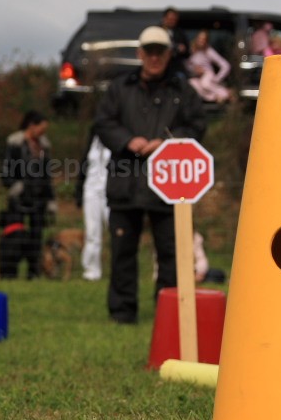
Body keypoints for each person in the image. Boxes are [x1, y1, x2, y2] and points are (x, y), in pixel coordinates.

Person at [94, 26, 206, 324]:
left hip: (169, 186)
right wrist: (127, 141)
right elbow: (103, 123)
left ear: (169, 54)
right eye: (150, 51)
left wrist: (168, 142)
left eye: (161, 52)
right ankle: (122, 313)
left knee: (171, 254)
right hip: (125, 181)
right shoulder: (119, 88)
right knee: (122, 253)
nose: (155, 57)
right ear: (140, 54)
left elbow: (197, 127)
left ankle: (168, 313)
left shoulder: (184, 91)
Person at [1, 110, 56, 280]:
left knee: (36, 236)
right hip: (20, 196)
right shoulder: (15, 143)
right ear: (32, 125)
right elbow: (6, 167)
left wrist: (51, 199)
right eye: (41, 128)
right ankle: (10, 270)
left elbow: (47, 175)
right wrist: (13, 184)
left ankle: (34, 272)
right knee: (15, 235)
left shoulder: (44, 147)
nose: (43, 132)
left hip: (39, 196)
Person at [75, 128, 111, 282]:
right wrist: (78, 191)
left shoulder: (122, 134)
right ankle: (91, 271)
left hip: (112, 190)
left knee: (116, 230)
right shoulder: (94, 139)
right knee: (92, 232)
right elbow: (84, 164)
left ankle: (119, 269)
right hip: (91, 190)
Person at [186, 29, 232, 103]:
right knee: (192, 84)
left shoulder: (209, 51)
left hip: (208, 74)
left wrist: (217, 79)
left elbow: (226, 65)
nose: (201, 41)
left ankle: (225, 93)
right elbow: (187, 65)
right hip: (196, 76)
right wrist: (194, 70)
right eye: (200, 39)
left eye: (204, 39)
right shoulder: (192, 50)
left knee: (205, 84)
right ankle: (215, 97)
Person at [160, 7, 190, 75]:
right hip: (160, 64)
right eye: (170, 19)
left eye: (174, 20)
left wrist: (183, 49)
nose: (172, 21)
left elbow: (188, 52)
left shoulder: (180, 33)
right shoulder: (157, 30)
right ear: (164, 18)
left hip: (175, 66)